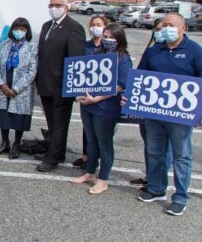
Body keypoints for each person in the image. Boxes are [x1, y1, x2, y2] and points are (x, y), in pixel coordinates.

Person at [131, 13, 202, 216]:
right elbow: (141, 76)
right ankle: (156, 188)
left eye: (171, 25)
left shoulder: (196, 51)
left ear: (183, 29)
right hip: (153, 113)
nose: (166, 29)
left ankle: (180, 197)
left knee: (181, 157)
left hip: (180, 117)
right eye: (163, 26)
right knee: (154, 152)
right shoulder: (154, 51)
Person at [70, 23, 132, 194]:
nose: (108, 40)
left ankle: (103, 179)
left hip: (106, 107)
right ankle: (90, 172)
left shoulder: (123, 58)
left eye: (112, 37)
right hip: (88, 105)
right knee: (91, 141)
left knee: (104, 143)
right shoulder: (97, 53)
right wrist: (80, 94)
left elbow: (120, 85)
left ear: (120, 39)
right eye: (106, 37)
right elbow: (84, 76)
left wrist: (97, 97)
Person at [35, 0, 86, 172]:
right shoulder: (46, 26)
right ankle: (55, 150)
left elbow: (76, 59)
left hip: (61, 85)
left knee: (59, 124)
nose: (54, 8)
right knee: (51, 122)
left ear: (66, 7)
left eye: (58, 5)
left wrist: (74, 87)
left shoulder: (74, 28)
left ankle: (53, 158)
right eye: (51, 5)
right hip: (45, 83)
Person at [130, 20, 171, 188]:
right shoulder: (152, 51)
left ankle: (158, 181)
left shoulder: (189, 51)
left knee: (165, 149)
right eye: (158, 29)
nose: (160, 32)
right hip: (148, 107)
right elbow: (139, 74)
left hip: (168, 109)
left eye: (164, 29)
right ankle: (150, 176)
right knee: (150, 145)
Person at [0, 18, 38, 159]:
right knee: (4, 116)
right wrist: (2, 85)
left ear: (27, 31)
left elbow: (32, 71)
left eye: (22, 29)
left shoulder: (31, 47)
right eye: (17, 28)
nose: (19, 31)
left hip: (21, 90)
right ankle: (4, 143)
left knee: (19, 118)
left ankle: (16, 144)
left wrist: (16, 88)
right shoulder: (4, 45)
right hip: (4, 86)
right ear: (12, 29)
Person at [73, 14, 109, 169]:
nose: (96, 27)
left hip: (102, 95)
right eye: (93, 24)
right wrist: (76, 92)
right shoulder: (85, 46)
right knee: (87, 128)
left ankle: (98, 158)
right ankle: (86, 156)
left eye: (99, 24)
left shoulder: (108, 47)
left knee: (100, 130)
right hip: (86, 93)